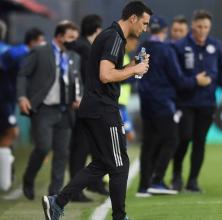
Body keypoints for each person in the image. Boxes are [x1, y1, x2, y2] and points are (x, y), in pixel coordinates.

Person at [41, 2, 152, 220]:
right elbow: (106, 75)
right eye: (144, 23)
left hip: (94, 108)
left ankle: (58, 201)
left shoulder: (111, 36)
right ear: (133, 18)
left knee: (104, 163)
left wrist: (132, 68)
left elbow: (108, 73)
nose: (145, 29)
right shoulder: (114, 38)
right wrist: (134, 70)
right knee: (120, 164)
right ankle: (120, 217)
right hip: (103, 109)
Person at [136, 15, 212, 197]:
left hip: (145, 101)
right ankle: (157, 180)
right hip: (162, 101)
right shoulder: (166, 50)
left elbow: (137, 73)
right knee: (172, 140)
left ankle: (143, 186)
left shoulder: (142, 47)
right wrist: (196, 80)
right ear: (165, 31)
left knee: (148, 144)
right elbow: (179, 80)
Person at [171, 10, 222, 193]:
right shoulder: (181, 46)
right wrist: (194, 81)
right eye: (199, 26)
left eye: (206, 27)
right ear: (192, 25)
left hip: (207, 102)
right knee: (184, 138)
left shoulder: (216, 46)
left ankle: (193, 181)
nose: (202, 30)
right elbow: (175, 75)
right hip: (185, 102)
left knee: (200, 142)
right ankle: (176, 177)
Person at [17, 22, 80, 200]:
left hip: (66, 109)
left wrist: (79, 96)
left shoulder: (74, 56)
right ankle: (28, 178)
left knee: (62, 152)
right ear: (59, 37)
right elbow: (23, 74)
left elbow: (77, 81)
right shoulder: (40, 51)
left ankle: (54, 196)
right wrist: (22, 97)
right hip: (43, 108)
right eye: (70, 38)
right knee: (43, 147)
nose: (74, 42)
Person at [65, 14, 110, 202]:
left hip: (85, 104)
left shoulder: (83, 46)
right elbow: (81, 77)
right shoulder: (85, 48)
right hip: (83, 105)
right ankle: (76, 190)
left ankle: (94, 182)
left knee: (92, 145)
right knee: (81, 148)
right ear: (97, 30)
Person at [0, 28, 45, 191]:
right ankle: (5, 180)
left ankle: (6, 176)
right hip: (3, 101)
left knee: (9, 134)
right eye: (40, 41)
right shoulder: (11, 51)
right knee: (11, 132)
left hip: (8, 100)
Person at [118, 35, 139, 142]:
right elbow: (119, 77)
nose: (136, 43)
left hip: (122, 103)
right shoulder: (118, 55)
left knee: (127, 135)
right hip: (118, 103)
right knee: (127, 134)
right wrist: (135, 75)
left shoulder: (125, 56)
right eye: (135, 40)